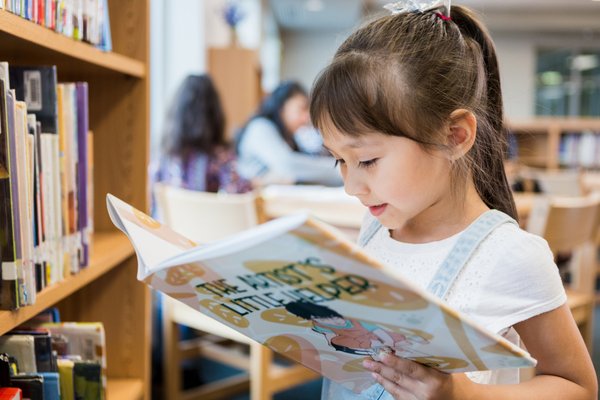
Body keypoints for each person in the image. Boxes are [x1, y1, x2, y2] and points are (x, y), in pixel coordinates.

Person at [309, 2, 597, 400]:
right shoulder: (376, 227)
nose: (351, 185)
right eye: (339, 159)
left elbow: (578, 386)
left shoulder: (512, 255)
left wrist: (465, 395)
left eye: (368, 160)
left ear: (455, 136)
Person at [153, 74, 251, 194]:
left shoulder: (164, 158)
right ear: (214, 113)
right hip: (205, 212)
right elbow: (239, 195)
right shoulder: (220, 158)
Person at [236, 81, 342, 186]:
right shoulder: (260, 127)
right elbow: (287, 166)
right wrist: (339, 169)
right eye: (302, 108)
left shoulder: (288, 136)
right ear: (281, 107)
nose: (307, 118)